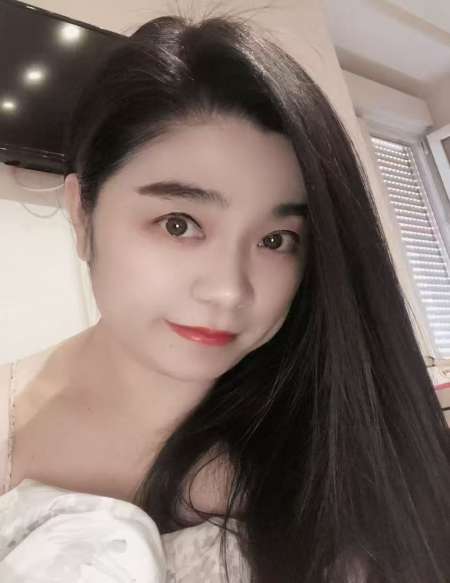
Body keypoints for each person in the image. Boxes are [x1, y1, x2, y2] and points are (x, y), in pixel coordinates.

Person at [1, 9, 449, 583]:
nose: (230, 290)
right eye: (179, 224)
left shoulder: (348, 438)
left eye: (275, 240)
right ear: (82, 214)